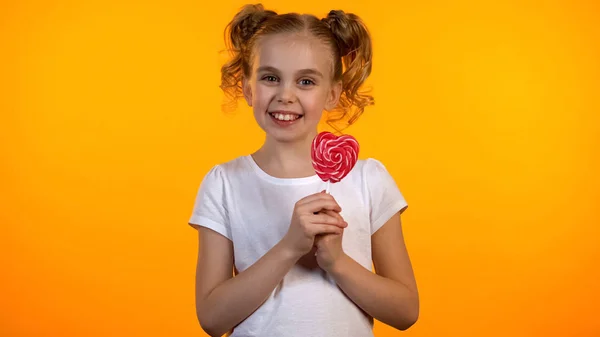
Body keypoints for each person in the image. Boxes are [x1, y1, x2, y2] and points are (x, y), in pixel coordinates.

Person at [188, 4, 419, 336]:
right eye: (270, 78)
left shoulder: (368, 180)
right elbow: (212, 319)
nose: (285, 95)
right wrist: (289, 247)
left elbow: (405, 311)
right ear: (248, 89)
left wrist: (336, 262)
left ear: (333, 94)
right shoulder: (224, 184)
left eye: (306, 81)